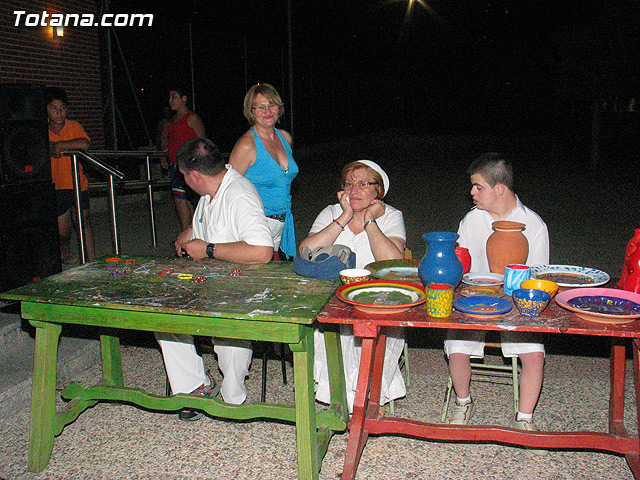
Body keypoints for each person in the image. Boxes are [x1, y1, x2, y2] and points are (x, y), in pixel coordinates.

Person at [157, 137, 274, 420]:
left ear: (194, 176)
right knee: (161, 314)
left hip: (242, 287)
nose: (185, 182)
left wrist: (208, 249)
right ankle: (195, 385)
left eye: (184, 176)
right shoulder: (209, 193)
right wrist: (190, 233)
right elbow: (208, 227)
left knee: (226, 328)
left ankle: (233, 394)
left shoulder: (239, 195)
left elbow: (263, 251)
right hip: (209, 282)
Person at [445, 152, 549, 433]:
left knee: (534, 353)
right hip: (474, 297)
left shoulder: (534, 225)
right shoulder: (471, 220)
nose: (472, 192)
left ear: (500, 189)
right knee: (456, 345)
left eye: (478, 187)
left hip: (516, 300)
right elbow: (461, 267)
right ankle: (463, 403)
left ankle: (524, 418)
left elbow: (538, 276)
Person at [299, 160, 406, 412]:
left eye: (363, 184)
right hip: (332, 298)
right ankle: (345, 400)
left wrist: (370, 221)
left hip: (377, 300)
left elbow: (394, 264)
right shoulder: (331, 212)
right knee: (327, 327)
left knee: (365, 331)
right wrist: (344, 217)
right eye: (348, 184)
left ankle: (361, 399)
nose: (353, 190)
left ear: (378, 190)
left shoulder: (391, 216)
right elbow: (305, 252)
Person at [229, 83, 298, 259]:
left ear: (279, 108)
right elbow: (225, 188)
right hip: (256, 223)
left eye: (271, 105)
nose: (267, 111)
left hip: (283, 222)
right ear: (251, 112)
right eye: (260, 107)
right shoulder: (247, 145)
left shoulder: (285, 138)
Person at [46, 87, 95, 264]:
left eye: (63, 108)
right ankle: (64, 250)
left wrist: (60, 145)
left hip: (77, 183)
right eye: (54, 108)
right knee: (62, 230)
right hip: (57, 185)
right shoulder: (43, 130)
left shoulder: (73, 126)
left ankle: (92, 261)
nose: (59, 113)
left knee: (83, 221)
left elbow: (84, 143)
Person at [161, 86, 206, 231]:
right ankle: (187, 233)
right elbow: (171, 142)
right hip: (176, 165)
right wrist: (164, 155)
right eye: (169, 97)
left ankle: (196, 233)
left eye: (174, 96)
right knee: (180, 200)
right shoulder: (173, 120)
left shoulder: (192, 118)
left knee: (193, 200)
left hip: (191, 165)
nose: (170, 100)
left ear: (183, 98)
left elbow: (202, 141)